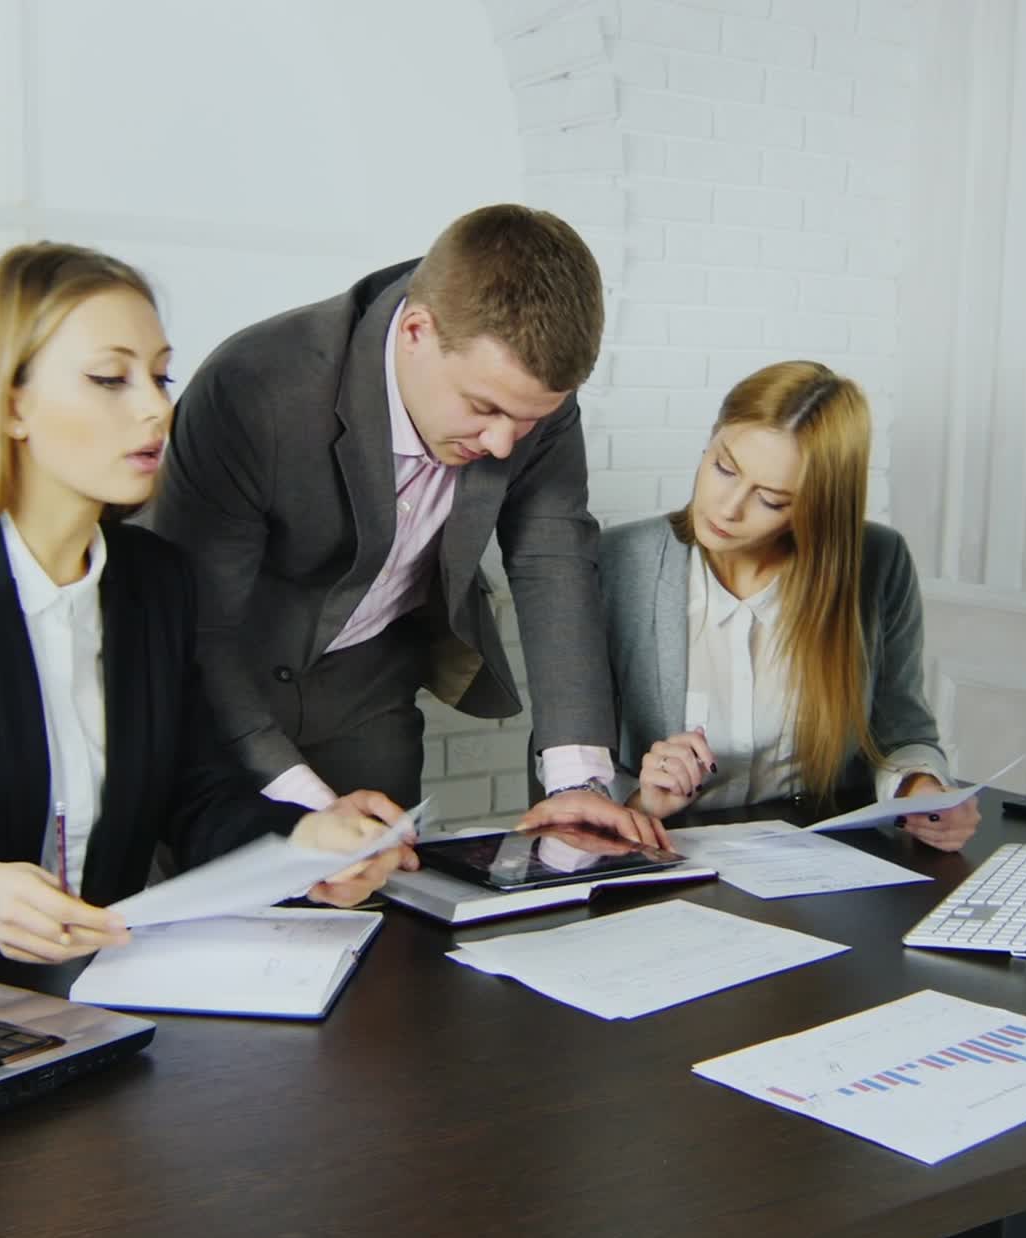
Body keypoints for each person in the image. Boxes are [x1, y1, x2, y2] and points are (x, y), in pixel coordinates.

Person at [0, 243, 413, 970]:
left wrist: (300, 845)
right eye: (109, 378)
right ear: (10, 404)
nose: (157, 407)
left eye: (160, 376)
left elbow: (194, 796)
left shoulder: (153, 582)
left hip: (100, 1003)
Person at [150, 203, 666, 848]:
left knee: (382, 909)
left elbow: (552, 561)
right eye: (483, 408)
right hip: (222, 692)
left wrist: (577, 782)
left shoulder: (531, 394)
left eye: (529, 421)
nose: (505, 444)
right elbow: (201, 623)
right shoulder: (257, 386)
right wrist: (304, 809)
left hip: (369, 695)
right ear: (416, 331)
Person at [601, 360, 980, 853]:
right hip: (665, 862)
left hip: (823, 862)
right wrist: (640, 797)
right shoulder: (616, 564)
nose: (728, 507)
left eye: (773, 500)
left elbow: (900, 729)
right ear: (710, 440)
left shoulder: (877, 564)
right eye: (723, 467)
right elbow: (567, 756)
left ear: (817, 508)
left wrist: (920, 790)